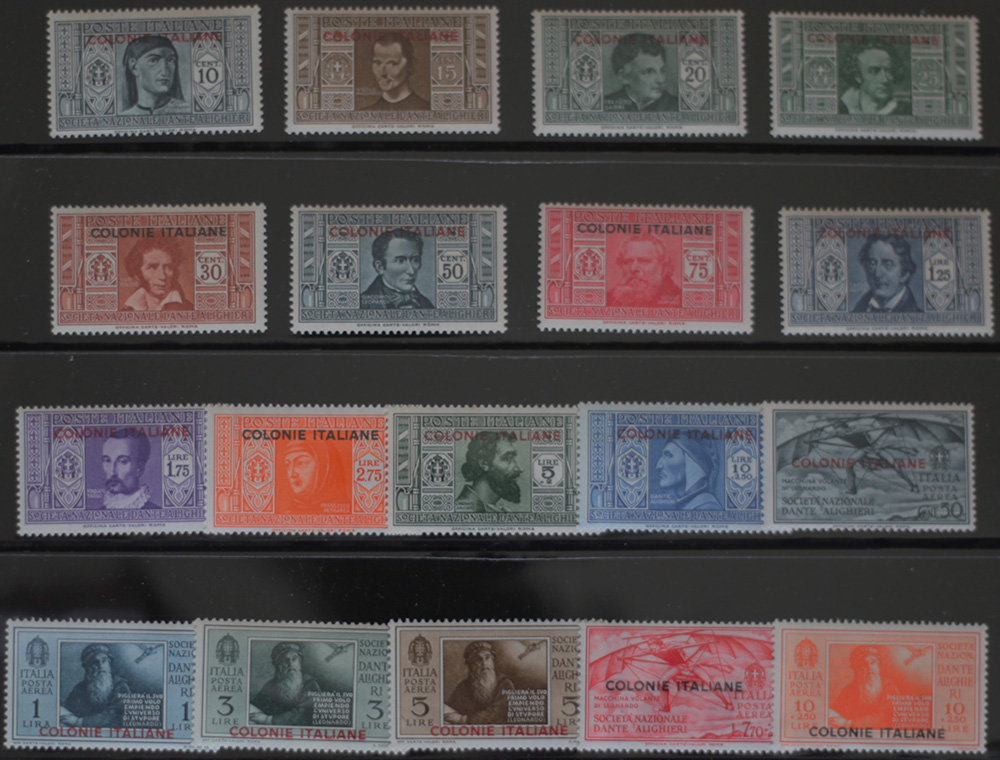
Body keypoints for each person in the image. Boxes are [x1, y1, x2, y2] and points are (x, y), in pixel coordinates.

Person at [249, 642, 320, 726]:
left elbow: (303, 714)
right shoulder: (271, 685)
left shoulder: (310, 684)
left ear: (299, 662)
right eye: (284, 660)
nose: (290, 664)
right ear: (278, 666)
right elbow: (257, 705)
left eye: (294, 659)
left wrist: (268, 720)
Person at [361, 228, 434, 309]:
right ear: (380, 267)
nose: (411, 271)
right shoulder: (362, 305)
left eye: (415, 260)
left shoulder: (426, 305)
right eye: (400, 261)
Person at [61, 644, 130, 728]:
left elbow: (116, 713)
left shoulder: (120, 685)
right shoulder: (80, 688)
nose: (101, 666)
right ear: (88, 667)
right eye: (95, 662)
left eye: (104, 661)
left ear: (109, 663)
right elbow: (69, 708)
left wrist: (79, 721)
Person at [604, 33, 678, 113]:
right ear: (623, 77)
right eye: (649, 72)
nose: (661, 80)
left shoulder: (676, 106)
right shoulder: (604, 105)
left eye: (662, 71)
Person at [443, 641, 514, 725]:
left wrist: (464, 719)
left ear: (493, 660)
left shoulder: (504, 683)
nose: (484, 663)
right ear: (471, 665)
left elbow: (499, 712)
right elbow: (451, 709)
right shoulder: (463, 687)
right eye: (478, 660)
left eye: (487, 658)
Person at [830, 646, 900, 729]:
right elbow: (835, 710)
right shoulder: (850, 690)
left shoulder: (889, 687)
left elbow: (884, 716)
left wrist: (848, 723)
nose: (869, 667)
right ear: (857, 670)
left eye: (873, 662)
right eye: (863, 664)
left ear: (878, 666)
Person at [851, 233, 922, 313]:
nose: (877, 274)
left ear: (904, 274)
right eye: (872, 264)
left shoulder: (917, 314)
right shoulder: (858, 310)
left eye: (888, 265)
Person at [455, 432, 523, 513]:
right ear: (485, 464)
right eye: (508, 458)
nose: (520, 469)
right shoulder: (462, 511)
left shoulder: (498, 510)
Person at [122, 236, 193, 312]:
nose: (162, 276)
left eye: (168, 267)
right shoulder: (127, 310)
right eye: (152, 267)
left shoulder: (189, 309)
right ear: (137, 272)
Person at [120, 35, 187, 116]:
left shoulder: (187, 112)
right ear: (134, 67)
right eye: (153, 60)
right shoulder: (125, 116)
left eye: (170, 60)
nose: (165, 72)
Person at [362, 32, 431, 110]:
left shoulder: (426, 109)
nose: (383, 73)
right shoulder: (366, 112)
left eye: (392, 64)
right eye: (378, 63)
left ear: (411, 65)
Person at [607, 236, 681, 308]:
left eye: (644, 261)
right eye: (628, 261)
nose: (633, 268)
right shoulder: (608, 299)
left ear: (663, 266)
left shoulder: (679, 300)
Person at [839, 43, 911, 116]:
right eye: (874, 71)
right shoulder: (842, 109)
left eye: (889, 71)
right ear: (858, 76)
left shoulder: (905, 111)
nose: (885, 80)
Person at [652, 438, 722, 510]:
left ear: (691, 462)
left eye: (668, 455)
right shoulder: (689, 505)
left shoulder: (707, 506)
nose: (658, 466)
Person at [280, 439, 347, 512]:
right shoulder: (288, 513)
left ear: (323, 467)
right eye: (287, 465)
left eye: (301, 463)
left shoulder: (344, 510)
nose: (292, 474)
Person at [99, 429, 159, 510]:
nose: (112, 472)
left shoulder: (155, 510)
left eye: (122, 461)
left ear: (140, 467)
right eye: (107, 460)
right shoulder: (99, 512)